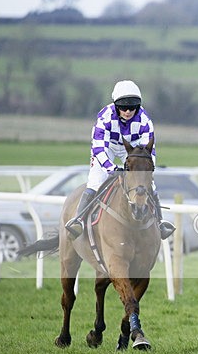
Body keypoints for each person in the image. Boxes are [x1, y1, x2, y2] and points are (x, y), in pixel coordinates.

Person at [64, 80, 175, 240]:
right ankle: (79, 220)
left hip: (131, 149)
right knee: (95, 181)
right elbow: (99, 148)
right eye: (123, 106)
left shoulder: (144, 120)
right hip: (107, 147)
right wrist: (112, 169)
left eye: (133, 106)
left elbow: (148, 153)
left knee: (148, 183)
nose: (128, 111)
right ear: (116, 105)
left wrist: (143, 171)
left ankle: (160, 222)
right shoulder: (105, 117)